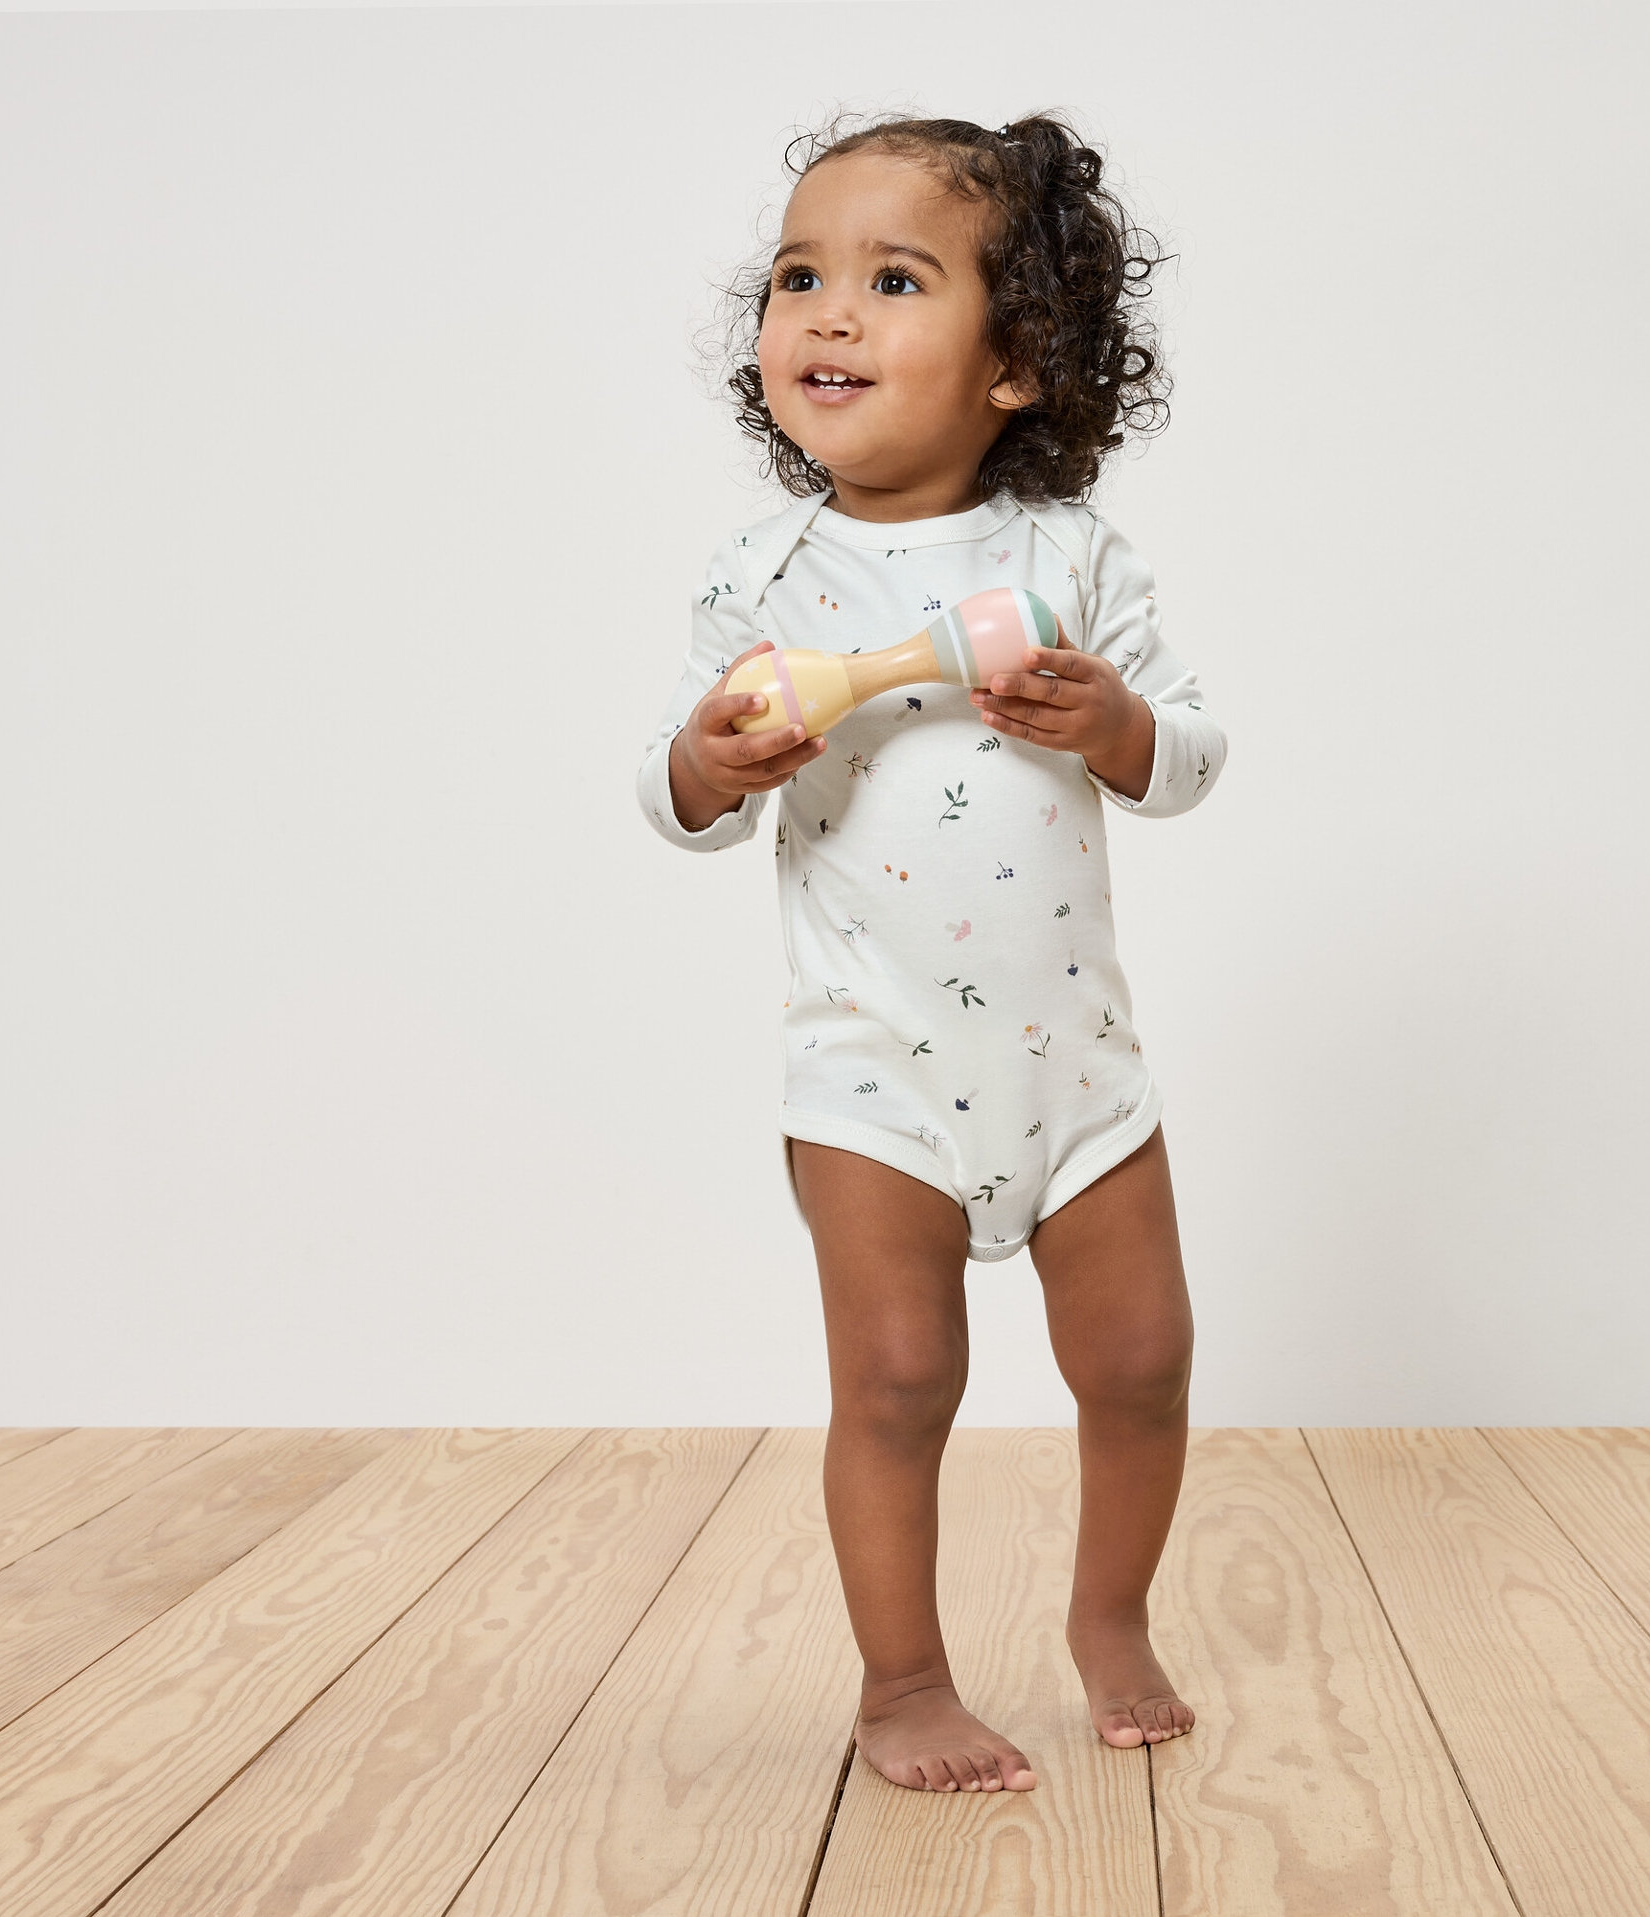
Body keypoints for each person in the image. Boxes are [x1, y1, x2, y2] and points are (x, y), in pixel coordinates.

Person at [639, 112, 1226, 1794]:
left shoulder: (1068, 561)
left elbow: (1188, 758)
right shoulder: (762, 577)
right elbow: (669, 802)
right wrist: (712, 761)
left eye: (893, 280)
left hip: (1073, 1066)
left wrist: (1110, 719)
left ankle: (1109, 1613)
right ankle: (901, 1683)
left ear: (1017, 361)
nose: (826, 312)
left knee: (1141, 1359)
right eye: (799, 276)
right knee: (896, 1379)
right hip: (869, 1061)